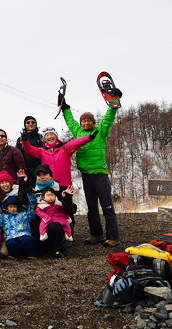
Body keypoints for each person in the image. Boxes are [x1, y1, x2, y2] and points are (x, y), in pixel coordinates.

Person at [60, 91, 121, 247]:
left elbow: (108, 118)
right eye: (84, 121)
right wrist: (64, 106)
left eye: (89, 121)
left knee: (107, 206)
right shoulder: (78, 133)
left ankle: (113, 237)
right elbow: (70, 121)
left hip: (100, 175)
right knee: (92, 207)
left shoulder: (99, 132)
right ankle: (96, 234)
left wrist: (114, 102)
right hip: (86, 176)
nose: (86, 123)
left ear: (94, 122)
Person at [20, 126, 95, 188]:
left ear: (56, 136)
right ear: (44, 139)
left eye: (52, 134)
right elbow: (29, 149)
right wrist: (24, 140)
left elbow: (75, 143)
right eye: (47, 135)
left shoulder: (65, 148)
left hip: (65, 184)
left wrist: (88, 137)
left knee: (66, 206)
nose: (50, 137)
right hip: (49, 185)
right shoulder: (42, 151)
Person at [0, 192, 39, 259]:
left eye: (14, 207)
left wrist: (31, 197)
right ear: (6, 207)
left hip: (23, 233)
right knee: (11, 244)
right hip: (10, 235)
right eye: (10, 207)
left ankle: (32, 254)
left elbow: (32, 212)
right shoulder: (4, 216)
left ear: (18, 207)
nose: (12, 209)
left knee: (28, 240)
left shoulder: (23, 214)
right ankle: (15, 255)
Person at [15, 116, 43, 187]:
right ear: (25, 125)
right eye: (28, 122)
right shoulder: (20, 140)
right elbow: (18, 156)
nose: (31, 124)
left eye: (33, 122)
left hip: (41, 170)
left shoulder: (42, 138)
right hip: (27, 170)